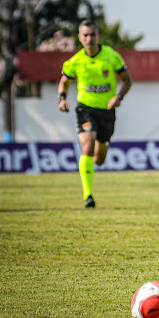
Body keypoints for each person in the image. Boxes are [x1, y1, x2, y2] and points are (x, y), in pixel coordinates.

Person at [57, 19, 132, 208]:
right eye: (86, 35)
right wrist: (62, 99)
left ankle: (92, 172)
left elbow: (127, 80)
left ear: (98, 36)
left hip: (107, 111)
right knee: (87, 145)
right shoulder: (75, 61)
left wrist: (119, 98)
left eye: (93, 34)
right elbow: (64, 81)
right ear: (79, 38)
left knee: (99, 159)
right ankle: (88, 195)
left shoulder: (111, 56)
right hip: (85, 109)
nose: (89, 38)